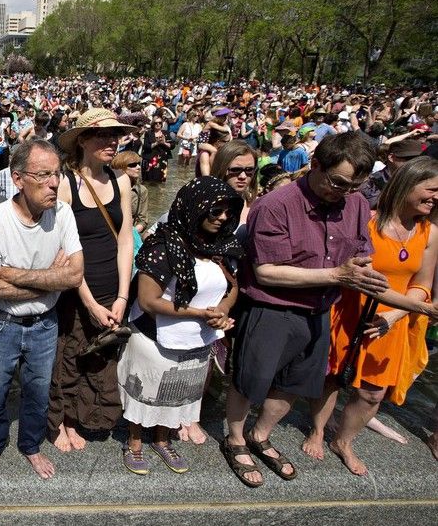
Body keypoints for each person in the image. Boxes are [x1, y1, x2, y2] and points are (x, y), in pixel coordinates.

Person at [223, 132, 386, 488]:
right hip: (273, 307)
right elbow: (266, 271)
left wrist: (362, 268)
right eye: (338, 182)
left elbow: (361, 247)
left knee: (296, 382)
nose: (343, 192)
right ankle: (235, 438)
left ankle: (261, 434)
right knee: (250, 379)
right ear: (315, 165)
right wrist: (336, 274)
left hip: (321, 307)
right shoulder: (276, 204)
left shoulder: (356, 203)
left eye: (355, 186)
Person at [304, 157, 438, 474]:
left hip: (394, 321)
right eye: (431, 190)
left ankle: (344, 441)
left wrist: (395, 316)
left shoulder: (430, 233)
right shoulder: (367, 222)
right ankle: (319, 430)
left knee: (372, 392)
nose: (435, 198)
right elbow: (354, 274)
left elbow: (422, 283)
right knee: (333, 378)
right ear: (407, 185)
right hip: (350, 313)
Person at [0, 140, 84, 481]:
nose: (54, 183)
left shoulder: (62, 213)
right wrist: (51, 278)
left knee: (38, 392)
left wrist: (11, 272)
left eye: (57, 174)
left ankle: (31, 446)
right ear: (18, 179)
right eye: (44, 174)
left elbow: (75, 274)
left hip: (44, 323)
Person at [119, 177, 242, 475]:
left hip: (198, 338)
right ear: (194, 209)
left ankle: (162, 439)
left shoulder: (220, 245)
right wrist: (200, 313)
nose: (222, 218)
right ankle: (134, 441)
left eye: (227, 212)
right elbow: (148, 300)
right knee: (146, 391)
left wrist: (222, 310)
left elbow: (232, 285)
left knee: (177, 392)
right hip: (154, 336)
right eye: (215, 211)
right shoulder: (163, 245)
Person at [48, 109, 136, 453]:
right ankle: (63, 421)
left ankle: (86, 417)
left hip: (113, 289)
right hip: (75, 291)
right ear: (82, 140)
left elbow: (125, 238)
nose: (111, 142)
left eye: (115, 135)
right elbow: (64, 249)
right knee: (67, 358)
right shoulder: (66, 184)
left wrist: (122, 297)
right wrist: (89, 301)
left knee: (100, 360)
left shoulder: (121, 181)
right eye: (102, 135)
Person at [359, 139, 423, 209]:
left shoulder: (420, 182)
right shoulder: (371, 183)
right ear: (391, 157)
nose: (414, 163)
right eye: (409, 159)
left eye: (418, 160)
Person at [111, 151, 147, 234]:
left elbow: (143, 220)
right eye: (133, 165)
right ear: (121, 167)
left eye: (138, 164)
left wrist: (131, 232)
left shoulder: (141, 190)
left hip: (130, 234)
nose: (138, 167)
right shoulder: (109, 187)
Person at [140, 113, 174, 183]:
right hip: (150, 159)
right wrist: (156, 143)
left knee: (160, 181)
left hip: (162, 160)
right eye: (156, 123)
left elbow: (172, 145)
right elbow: (146, 146)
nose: (158, 124)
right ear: (153, 124)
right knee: (148, 181)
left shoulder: (166, 133)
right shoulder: (149, 133)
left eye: (160, 123)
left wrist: (164, 142)